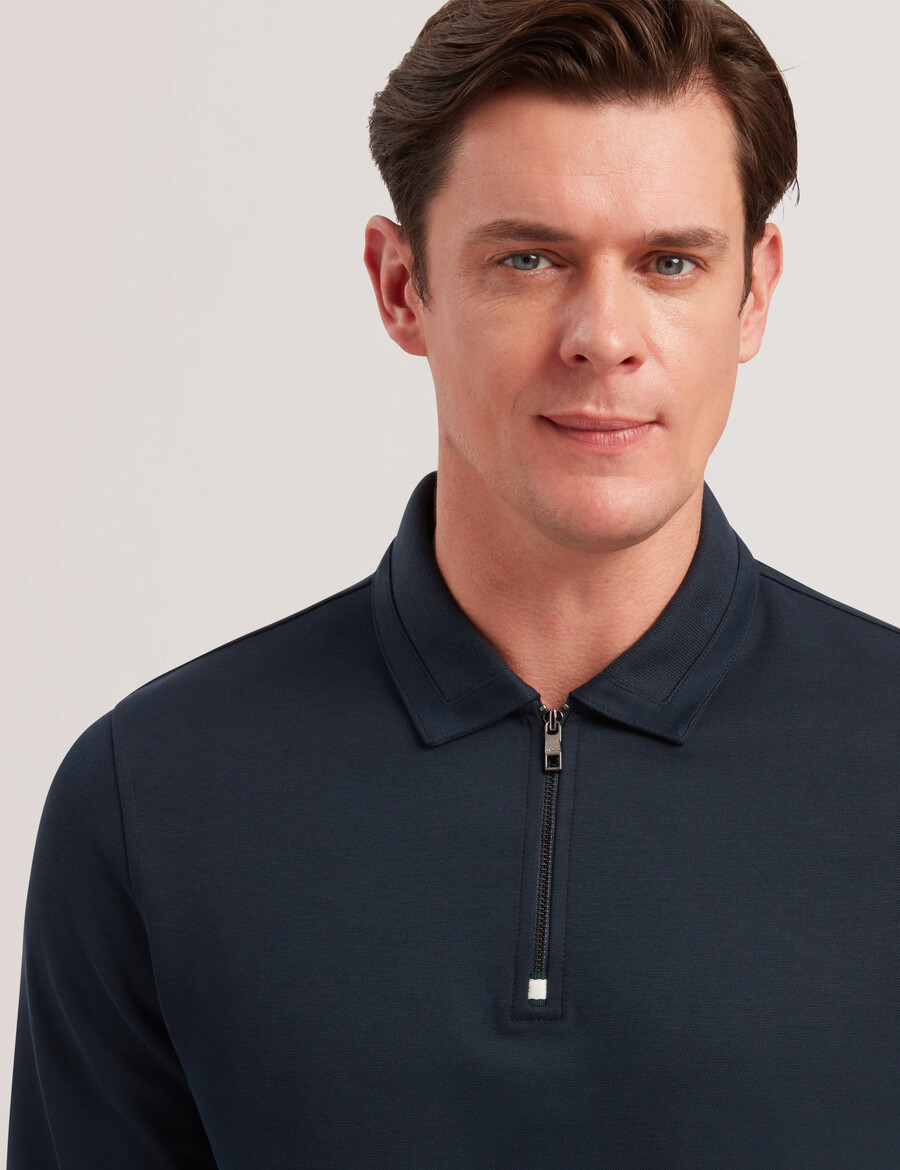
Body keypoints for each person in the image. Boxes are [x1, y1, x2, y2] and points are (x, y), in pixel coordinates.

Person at [8, 0, 900, 1165]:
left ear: (756, 292)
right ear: (400, 286)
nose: (603, 336)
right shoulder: (150, 798)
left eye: (670, 262)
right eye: (529, 259)